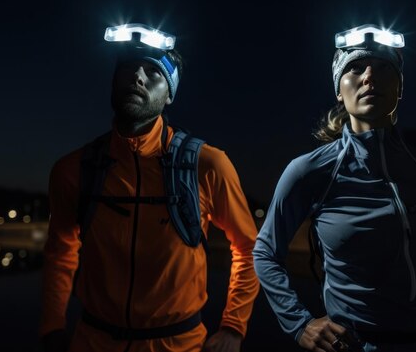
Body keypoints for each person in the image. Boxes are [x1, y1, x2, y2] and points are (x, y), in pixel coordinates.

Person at [253, 24, 416, 352]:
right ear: (338, 90)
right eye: (354, 68)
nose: (369, 77)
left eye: (384, 67)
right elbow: (265, 251)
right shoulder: (310, 171)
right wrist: (300, 324)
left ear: (399, 88)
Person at [39, 23, 260, 352]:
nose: (137, 77)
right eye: (128, 67)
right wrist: (52, 326)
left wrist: (233, 327)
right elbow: (61, 252)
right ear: (114, 79)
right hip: (91, 342)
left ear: (170, 93)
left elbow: (249, 248)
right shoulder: (73, 170)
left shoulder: (207, 164)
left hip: (179, 344)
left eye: (153, 72)